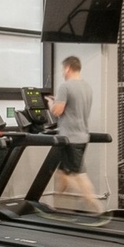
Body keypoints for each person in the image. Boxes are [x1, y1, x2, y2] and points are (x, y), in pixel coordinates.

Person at [49, 55, 103, 215]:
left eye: (62, 69)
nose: (62, 72)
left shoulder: (65, 87)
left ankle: (95, 205)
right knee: (62, 173)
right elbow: (74, 108)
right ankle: (58, 207)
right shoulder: (86, 87)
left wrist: (51, 103)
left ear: (67, 68)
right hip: (81, 135)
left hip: (70, 138)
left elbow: (58, 111)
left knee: (77, 174)